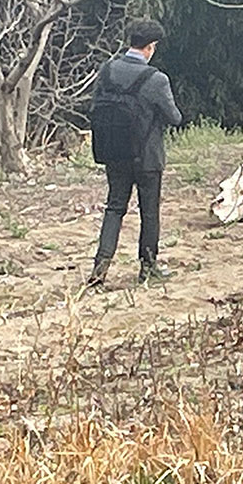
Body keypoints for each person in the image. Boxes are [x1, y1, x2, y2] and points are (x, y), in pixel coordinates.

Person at [87, 18, 182, 286]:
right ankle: (148, 268)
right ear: (150, 47)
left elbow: (95, 106)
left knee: (114, 208)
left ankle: (99, 270)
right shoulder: (156, 79)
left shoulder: (106, 71)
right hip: (147, 157)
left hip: (114, 152)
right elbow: (174, 117)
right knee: (149, 212)